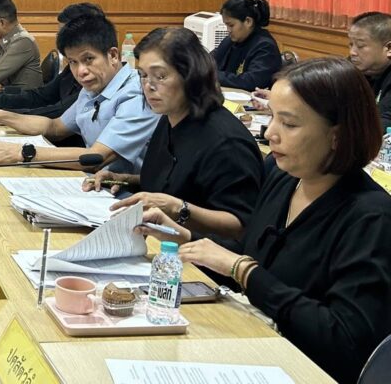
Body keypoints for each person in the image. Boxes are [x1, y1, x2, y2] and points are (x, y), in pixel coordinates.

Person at [138, 58, 391, 384]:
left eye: (289, 124)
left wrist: (243, 271)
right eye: (271, 117)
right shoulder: (283, 176)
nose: (269, 133)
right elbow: (251, 254)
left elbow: (344, 341)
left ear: (337, 136)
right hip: (255, 343)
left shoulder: (371, 216)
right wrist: (185, 237)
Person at [86, 27, 262, 239]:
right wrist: (124, 180)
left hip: (199, 252)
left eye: (160, 76)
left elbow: (241, 225)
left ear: (191, 76)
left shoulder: (227, 142)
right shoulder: (170, 118)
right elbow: (175, 184)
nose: (148, 86)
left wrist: (179, 208)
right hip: (156, 237)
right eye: (143, 75)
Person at [0, 14, 157, 172]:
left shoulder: (135, 93)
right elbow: (54, 127)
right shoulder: (94, 87)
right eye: (73, 62)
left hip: (128, 194)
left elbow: (97, 157)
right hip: (95, 184)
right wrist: (0, 116)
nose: (81, 71)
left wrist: (22, 152)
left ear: (113, 55)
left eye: (89, 59)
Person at [0, 2, 104, 117]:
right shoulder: (71, 69)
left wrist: (1, 115)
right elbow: (40, 96)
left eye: (64, 34)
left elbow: (58, 113)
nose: (59, 40)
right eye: (59, 34)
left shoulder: (23, 41)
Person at [211, 0, 281, 91]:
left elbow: (251, 81)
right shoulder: (230, 40)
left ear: (248, 21)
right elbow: (209, 60)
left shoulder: (265, 47)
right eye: (226, 25)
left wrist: (212, 75)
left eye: (231, 25)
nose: (228, 30)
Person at [348, 11, 391, 128]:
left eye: (360, 46)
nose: (352, 52)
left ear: (388, 48)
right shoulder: (351, 66)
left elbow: (385, 122)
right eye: (351, 45)